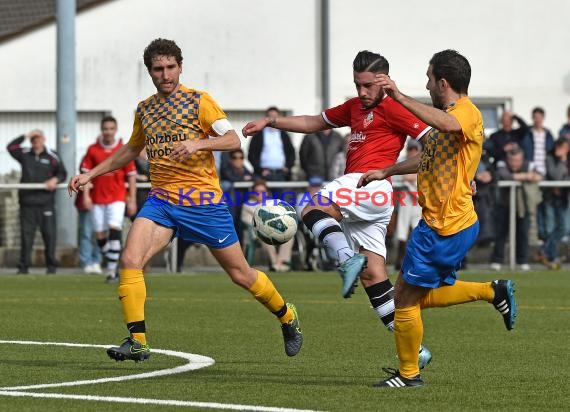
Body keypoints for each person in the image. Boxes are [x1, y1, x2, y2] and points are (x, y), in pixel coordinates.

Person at [68, 38, 302, 361]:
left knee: (241, 275)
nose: (165, 74)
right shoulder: (145, 109)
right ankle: (138, 341)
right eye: (157, 69)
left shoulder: (199, 101)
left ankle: (286, 316)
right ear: (149, 71)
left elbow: (233, 139)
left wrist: (198, 144)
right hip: (161, 201)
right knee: (130, 260)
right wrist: (90, 174)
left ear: (180, 67)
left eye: (170, 67)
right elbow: (129, 151)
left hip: (204, 203)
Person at [243, 50, 433, 369]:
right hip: (366, 195)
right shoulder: (354, 106)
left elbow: (433, 145)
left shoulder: (396, 107)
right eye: (358, 84)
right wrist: (272, 121)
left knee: (310, 205)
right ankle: (416, 352)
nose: (362, 92)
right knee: (374, 277)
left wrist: (393, 171)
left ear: (384, 81)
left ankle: (345, 259)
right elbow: (315, 122)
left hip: (370, 183)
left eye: (369, 85)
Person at [358, 49, 518, 388]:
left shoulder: (466, 114)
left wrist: (398, 96)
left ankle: (409, 374)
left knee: (402, 298)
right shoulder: (447, 118)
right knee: (417, 296)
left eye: (429, 78)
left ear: (442, 82)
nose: (426, 83)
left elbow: (446, 124)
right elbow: (426, 159)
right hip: (441, 223)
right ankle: (494, 292)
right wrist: (386, 170)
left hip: (446, 225)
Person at [80, 116, 138, 283]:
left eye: (111, 128)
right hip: (97, 198)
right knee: (100, 237)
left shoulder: (122, 149)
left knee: (114, 230)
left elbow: (131, 176)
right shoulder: (92, 150)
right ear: (101, 130)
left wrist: (132, 199)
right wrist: (86, 196)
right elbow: (86, 175)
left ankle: (112, 272)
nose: (108, 132)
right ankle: (114, 259)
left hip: (117, 197)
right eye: (106, 129)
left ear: (116, 129)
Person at [7, 130, 67, 274]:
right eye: (33, 139)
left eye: (37, 138)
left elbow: (63, 173)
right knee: (26, 236)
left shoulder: (52, 156)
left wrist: (55, 179)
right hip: (27, 203)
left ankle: (51, 266)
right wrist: (26, 135)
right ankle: (23, 267)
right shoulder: (25, 154)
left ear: (44, 139)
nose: (35, 141)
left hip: (46, 202)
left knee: (49, 235)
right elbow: (10, 147)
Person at [490, 146, 541, 271]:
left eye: (517, 161)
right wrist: (525, 176)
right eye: (512, 161)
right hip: (503, 204)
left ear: (522, 159)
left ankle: (522, 260)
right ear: (508, 159)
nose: (515, 164)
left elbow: (539, 176)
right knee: (501, 233)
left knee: (523, 233)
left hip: (522, 205)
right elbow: (504, 175)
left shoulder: (529, 164)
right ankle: (497, 260)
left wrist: (528, 176)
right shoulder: (502, 163)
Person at [241, 179, 294, 272]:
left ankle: (282, 263)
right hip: (257, 233)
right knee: (267, 235)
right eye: (257, 192)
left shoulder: (273, 204)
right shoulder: (247, 205)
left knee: (289, 235)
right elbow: (248, 221)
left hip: (275, 230)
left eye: (262, 191)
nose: (260, 194)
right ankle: (275, 264)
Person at [536, 137, 569, 269]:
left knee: (564, 228)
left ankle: (544, 252)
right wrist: (562, 161)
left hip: (564, 197)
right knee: (550, 227)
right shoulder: (550, 157)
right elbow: (555, 175)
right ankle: (551, 257)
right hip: (551, 197)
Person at [392, 140, 422, 271]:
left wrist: (413, 178)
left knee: (418, 230)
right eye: (411, 150)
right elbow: (395, 180)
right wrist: (406, 178)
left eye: (415, 150)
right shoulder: (402, 162)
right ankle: (399, 261)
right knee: (402, 231)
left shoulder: (425, 160)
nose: (413, 152)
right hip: (405, 200)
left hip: (419, 200)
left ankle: (417, 261)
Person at [247, 106, 296, 181]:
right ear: (266, 118)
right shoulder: (258, 134)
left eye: (275, 117)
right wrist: (260, 170)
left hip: (281, 174)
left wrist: (288, 167)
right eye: (270, 117)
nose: (273, 119)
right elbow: (252, 153)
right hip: (263, 174)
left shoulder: (284, 134)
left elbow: (291, 152)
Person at [74, 157, 102, 275]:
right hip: (88, 204)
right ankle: (87, 262)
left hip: (101, 202)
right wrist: (86, 196)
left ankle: (97, 261)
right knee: (86, 233)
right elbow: (83, 178)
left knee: (100, 233)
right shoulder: (89, 158)